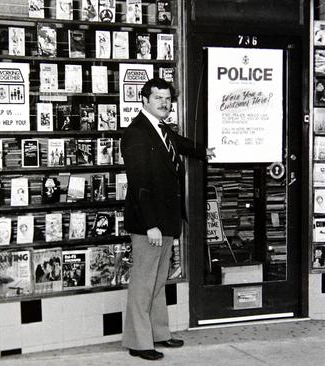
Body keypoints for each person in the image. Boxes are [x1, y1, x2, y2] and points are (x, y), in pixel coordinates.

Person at [120, 78, 215, 361]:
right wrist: (150, 224)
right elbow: (139, 184)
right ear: (144, 100)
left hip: (166, 219)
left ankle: (159, 333)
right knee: (143, 281)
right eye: (158, 98)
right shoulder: (136, 133)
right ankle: (138, 341)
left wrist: (203, 151)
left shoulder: (161, 130)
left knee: (159, 279)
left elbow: (179, 144)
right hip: (149, 223)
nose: (164, 103)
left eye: (167, 98)